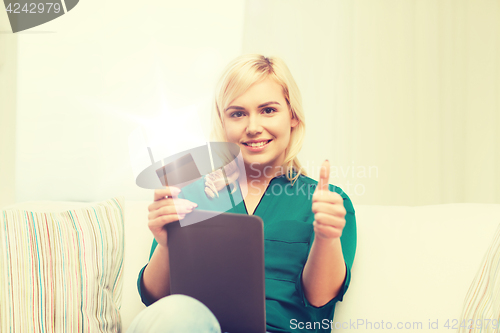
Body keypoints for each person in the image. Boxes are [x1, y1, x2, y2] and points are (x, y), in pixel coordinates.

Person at [130, 54, 357, 333]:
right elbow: (157, 302)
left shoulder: (327, 202)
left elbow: (320, 299)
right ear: (224, 123)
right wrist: (167, 245)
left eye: (268, 110)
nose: (252, 127)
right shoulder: (190, 196)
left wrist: (325, 237)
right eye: (238, 114)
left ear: (293, 116)